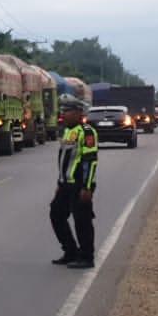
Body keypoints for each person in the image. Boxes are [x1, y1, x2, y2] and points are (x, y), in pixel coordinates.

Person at [51, 95, 98, 269]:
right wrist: (59, 182)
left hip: (80, 185)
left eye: (68, 111)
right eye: (63, 111)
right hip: (65, 184)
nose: (64, 114)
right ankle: (70, 251)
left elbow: (90, 160)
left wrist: (87, 187)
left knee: (82, 221)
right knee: (56, 215)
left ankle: (87, 257)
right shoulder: (67, 131)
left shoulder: (86, 132)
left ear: (79, 113)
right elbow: (64, 160)